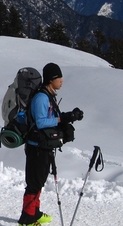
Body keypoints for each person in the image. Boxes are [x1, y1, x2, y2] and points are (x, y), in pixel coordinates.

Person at [18, 63, 83, 226]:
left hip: (43, 146)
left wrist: (68, 117)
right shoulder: (41, 98)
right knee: (34, 183)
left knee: (39, 181)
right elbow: (40, 123)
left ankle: (35, 212)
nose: (62, 80)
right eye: (59, 77)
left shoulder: (49, 95)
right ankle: (27, 219)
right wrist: (62, 119)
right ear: (51, 79)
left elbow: (50, 118)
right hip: (36, 147)